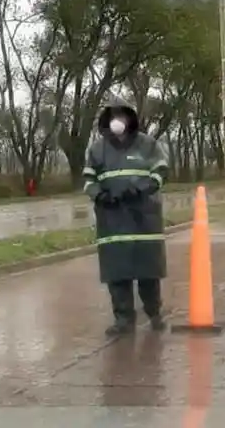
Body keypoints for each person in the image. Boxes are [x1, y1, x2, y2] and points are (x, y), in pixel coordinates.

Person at [82, 103, 170, 336]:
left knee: (148, 272)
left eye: (121, 116)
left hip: (144, 218)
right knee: (117, 272)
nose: (117, 121)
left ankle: (155, 314)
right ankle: (123, 320)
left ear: (130, 118)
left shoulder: (148, 145)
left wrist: (141, 188)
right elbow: (89, 179)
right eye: (113, 116)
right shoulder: (97, 149)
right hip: (112, 219)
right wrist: (99, 195)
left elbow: (161, 171)